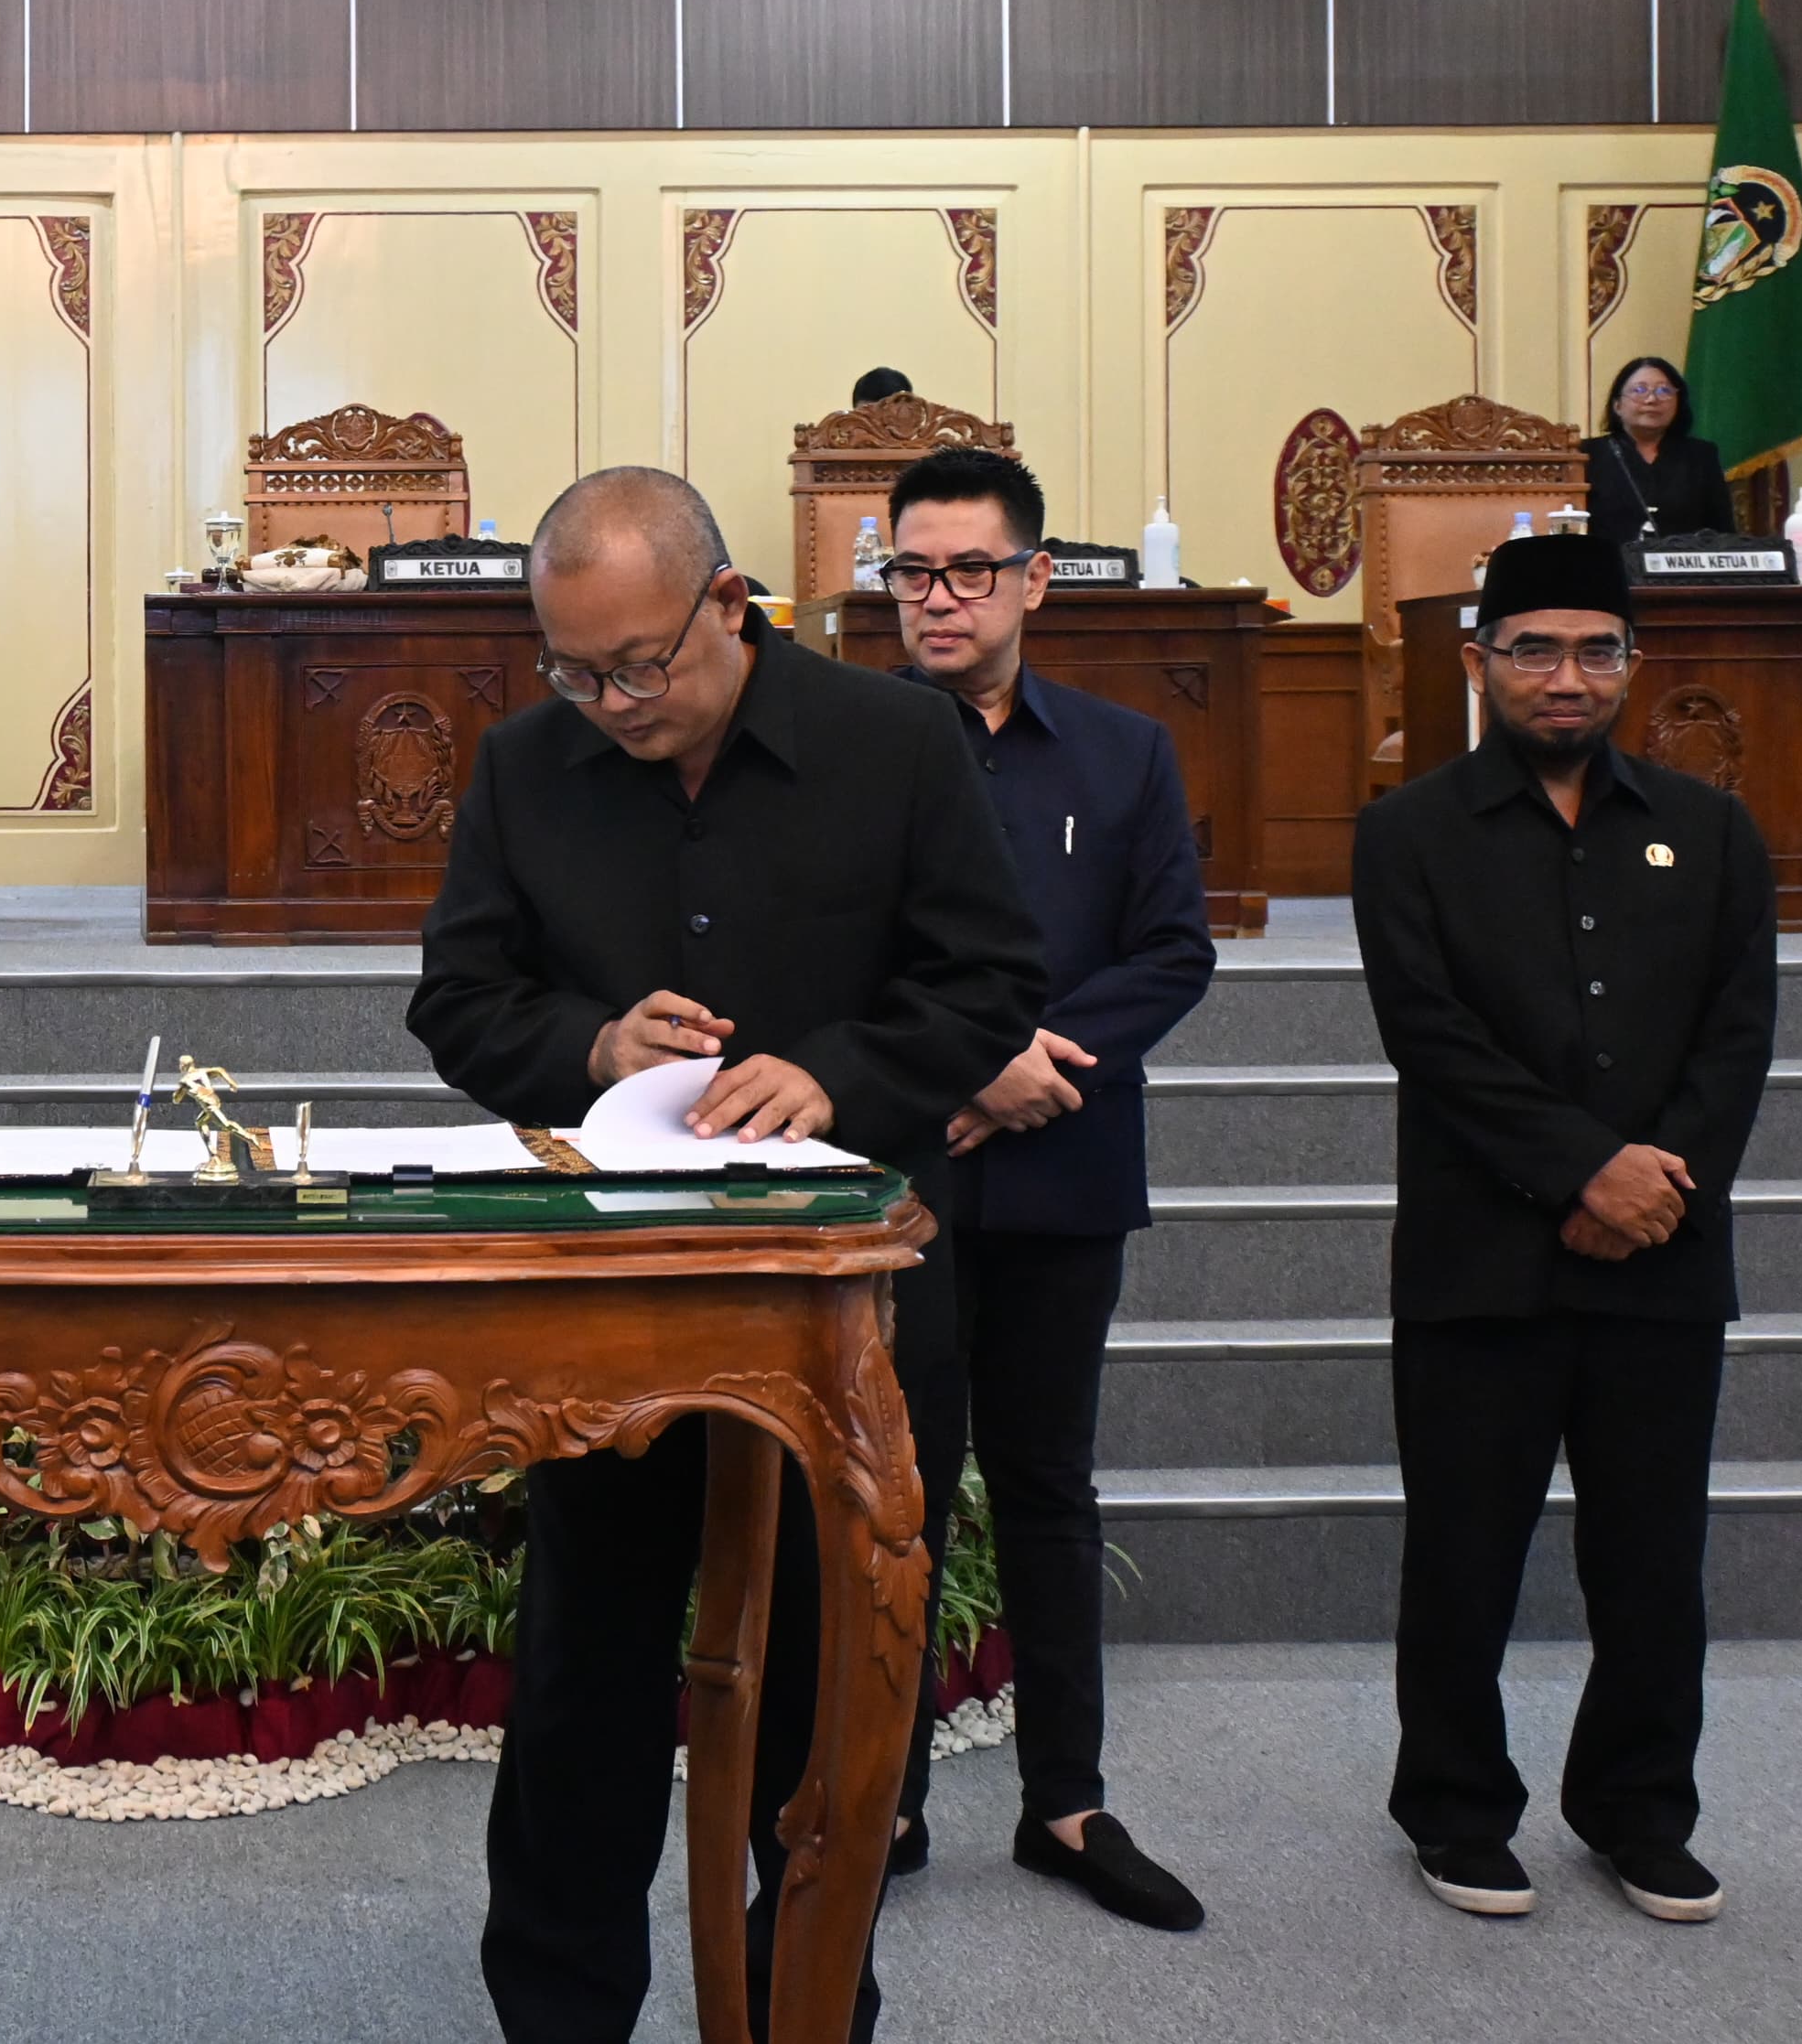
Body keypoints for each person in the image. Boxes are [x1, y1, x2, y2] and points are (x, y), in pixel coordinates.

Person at [409, 466, 1045, 2043]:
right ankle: (562, 2010)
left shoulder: (892, 744)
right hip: (613, 1311)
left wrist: (841, 1075)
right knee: (583, 1685)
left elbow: (985, 980)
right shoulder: (522, 767)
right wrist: (589, 1043)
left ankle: (803, 2000)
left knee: (827, 1700)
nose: (612, 701)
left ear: (729, 601)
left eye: (641, 663)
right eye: (574, 669)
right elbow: (460, 999)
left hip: (844, 1314)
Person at [1351, 532, 1775, 1927]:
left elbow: (1737, 1037)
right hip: (1481, 1259)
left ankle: (1640, 1809)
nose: (1567, 675)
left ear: (1633, 665)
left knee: (1654, 1560)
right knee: (1464, 1555)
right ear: (1479, 663)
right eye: (1534, 648)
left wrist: (1658, 1183)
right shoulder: (1408, 832)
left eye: (1598, 648)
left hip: (1666, 1257)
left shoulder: (1712, 831)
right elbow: (1433, 1039)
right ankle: (1459, 1807)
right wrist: (1588, 1172)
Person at [872, 446, 1214, 1933]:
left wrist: (1030, 1065)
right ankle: (876, 1796)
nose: (935, 600)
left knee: (1048, 1488)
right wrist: (955, 1070)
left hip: (1065, 1164)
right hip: (905, 1172)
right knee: (896, 1496)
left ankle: (1065, 1802)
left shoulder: (1125, 752)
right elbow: (815, 957)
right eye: (909, 571)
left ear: (1034, 579)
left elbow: (1171, 951)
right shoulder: (842, 748)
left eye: (965, 571)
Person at [1580, 354, 1732, 551]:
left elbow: (1722, 530)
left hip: (1685, 574)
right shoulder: (1587, 455)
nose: (1652, 399)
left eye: (1664, 391)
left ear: (1677, 403)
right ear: (1617, 405)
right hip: (1610, 573)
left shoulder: (1701, 455)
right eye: (1640, 390)